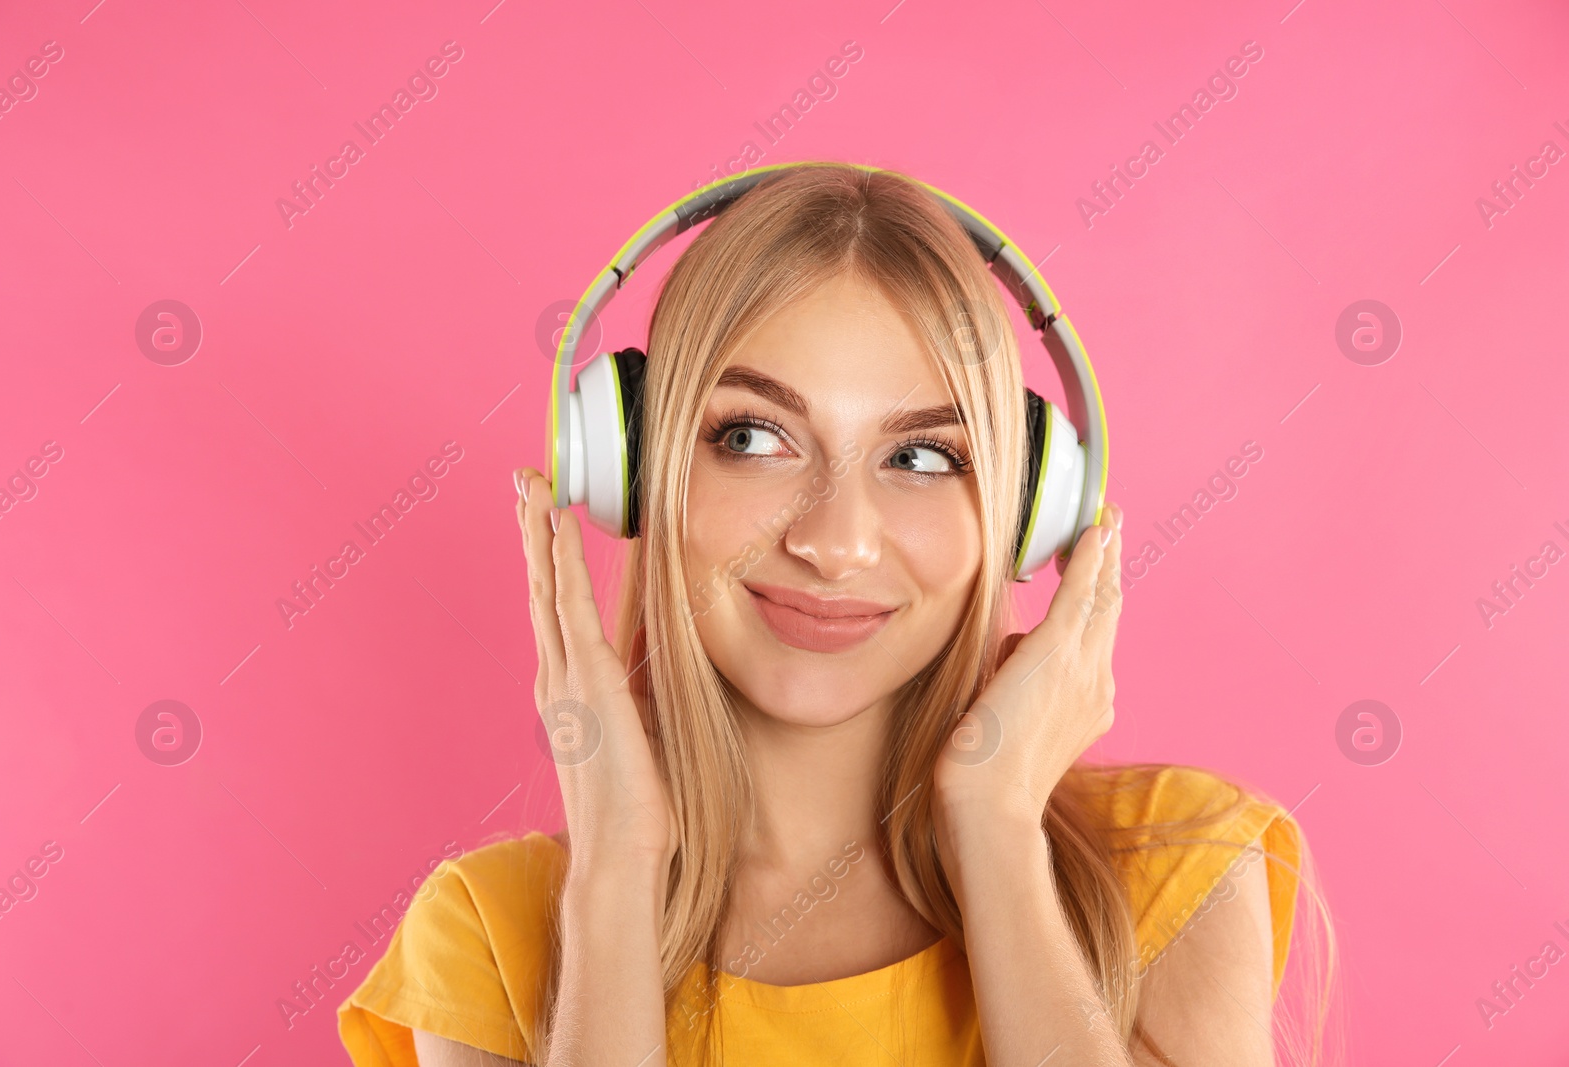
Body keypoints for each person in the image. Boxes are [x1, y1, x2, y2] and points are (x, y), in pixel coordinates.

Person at [338, 163, 1336, 1065]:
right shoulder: (488, 933)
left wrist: (993, 829)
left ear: (1029, 510)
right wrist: (616, 872)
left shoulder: (1178, 859)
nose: (834, 539)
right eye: (753, 437)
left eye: (920, 456)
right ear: (632, 471)